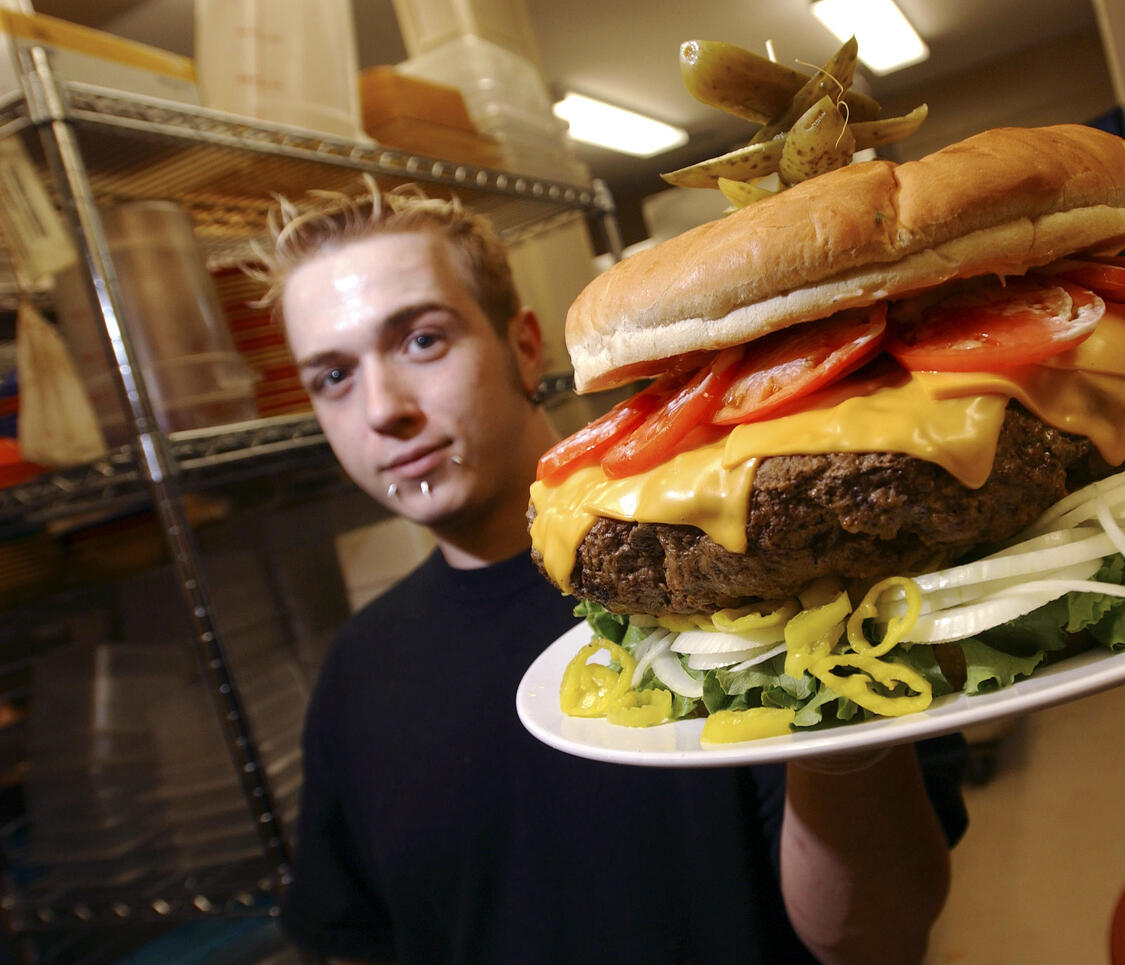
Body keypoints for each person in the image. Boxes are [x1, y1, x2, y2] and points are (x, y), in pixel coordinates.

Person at [257, 182, 968, 964]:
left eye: (422, 340)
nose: (381, 408)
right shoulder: (355, 673)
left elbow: (876, 939)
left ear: (525, 347)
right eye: (333, 377)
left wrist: (822, 692)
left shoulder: (733, 569)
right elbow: (356, 942)